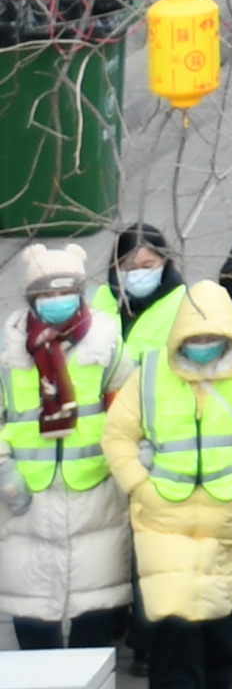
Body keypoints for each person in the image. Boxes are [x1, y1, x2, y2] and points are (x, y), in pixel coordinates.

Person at [104, 282, 232, 689]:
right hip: (162, 515)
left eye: (211, 337)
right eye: (195, 337)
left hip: (224, 515)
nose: (203, 344)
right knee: (172, 619)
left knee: (215, 618)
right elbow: (117, 435)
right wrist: (140, 487)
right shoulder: (149, 376)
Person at [0, 242, 131, 655]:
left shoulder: (106, 346)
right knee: (31, 613)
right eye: (46, 294)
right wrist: (4, 471)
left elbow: (131, 413)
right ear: (31, 298)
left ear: (80, 291)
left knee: (95, 615)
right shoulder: (9, 353)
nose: (56, 301)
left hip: (96, 495)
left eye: (64, 292)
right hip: (25, 501)